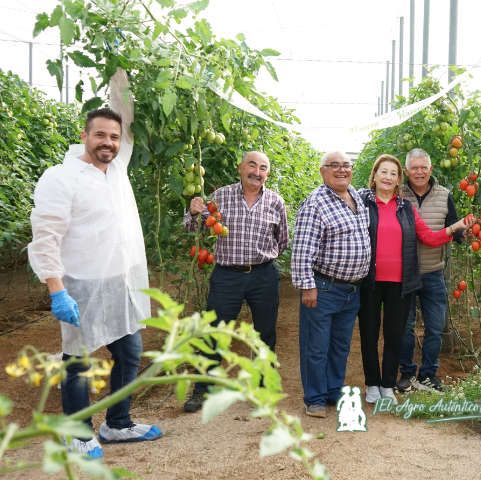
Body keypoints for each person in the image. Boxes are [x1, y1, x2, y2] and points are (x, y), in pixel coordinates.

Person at [27, 70, 161, 459]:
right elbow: (46, 236)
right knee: (78, 363)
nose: (108, 142)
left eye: (114, 137)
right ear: (84, 136)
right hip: (81, 285)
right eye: (100, 135)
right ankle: (77, 431)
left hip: (122, 283)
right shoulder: (62, 177)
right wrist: (57, 289)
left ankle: (117, 424)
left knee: (130, 353)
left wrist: (120, 70)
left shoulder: (117, 170)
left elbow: (125, 112)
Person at [358, 154, 474, 404]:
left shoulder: (405, 208)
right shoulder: (361, 204)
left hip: (400, 282)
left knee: (394, 333)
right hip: (369, 280)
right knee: (369, 333)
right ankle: (372, 383)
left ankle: (387, 384)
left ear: (398, 179)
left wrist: (457, 227)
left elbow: (430, 238)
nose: (388, 177)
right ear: (375, 175)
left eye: (393, 173)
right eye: (383, 172)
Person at [181, 151, 288, 412]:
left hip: (263, 274)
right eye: (252, 165)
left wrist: (265, 260)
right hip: (227, 274)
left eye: (263, 168)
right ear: (240, 168)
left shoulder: (275, 202)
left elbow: (282, 241)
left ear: (268, 174)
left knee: (265, 333)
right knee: (214, 331)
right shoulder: (221, 196)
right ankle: (203, 389)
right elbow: (192, 228)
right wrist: (193, 213)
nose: (257, 172)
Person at [291, 151, 371, 418]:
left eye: (346, 165)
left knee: (340, 345)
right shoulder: (315, 203)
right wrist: (307, 286)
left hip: (351, 288)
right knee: (316, 345)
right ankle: (314, 398)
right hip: (324, 288)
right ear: (323, 171)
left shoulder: (355, 196)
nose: (341, 170)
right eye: (334, 165)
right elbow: (302, 250)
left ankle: (333, 391)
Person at [397, 148, 466, 393]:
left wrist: (470, 233)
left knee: (435, 327)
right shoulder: (397, 194)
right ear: (406, 171)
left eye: (423, 167)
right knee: (405, 327)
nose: (419, 172)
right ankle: (406, 373)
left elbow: (455, 228)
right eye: (414, 168)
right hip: (403, 274)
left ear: (431, 169)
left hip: (433, 272)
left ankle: (428, 374)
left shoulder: (444, 195)